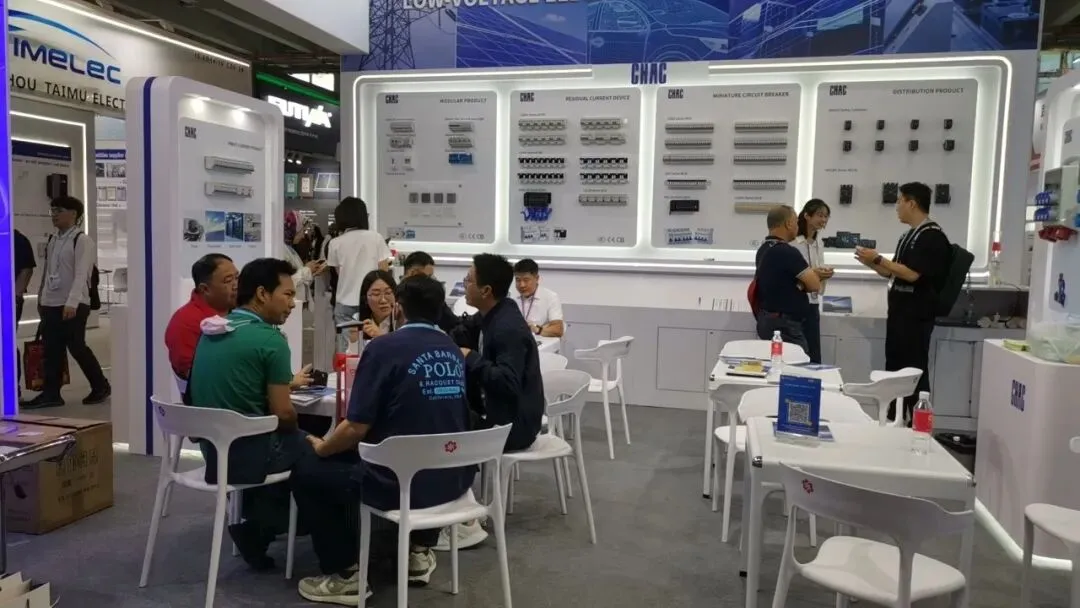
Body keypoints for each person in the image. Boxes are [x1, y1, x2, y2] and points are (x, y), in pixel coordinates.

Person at [293, 275, 476, 603]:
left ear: (399, 308)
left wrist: (323, 447)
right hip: (452, 479)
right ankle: (418, 552)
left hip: (400, 483)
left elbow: (355, 427)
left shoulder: (383, 348)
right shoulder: (452, 349)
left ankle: (346, 575)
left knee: (310, 471)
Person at [188, 257, 314, 570]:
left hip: (213, 450)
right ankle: (269, 528)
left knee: (295, 443)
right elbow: (284, 414)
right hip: (247, 455)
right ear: (261, 294)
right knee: (319, 450)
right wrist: (303, 433)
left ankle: (259, 527)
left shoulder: (212, 330)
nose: (293, 304)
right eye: (287, 294)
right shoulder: (271, 340)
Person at [435, 254, 545, 552]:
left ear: (486, 290)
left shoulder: (507, 327)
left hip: (513, 426)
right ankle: (458, 510)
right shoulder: (492, 313)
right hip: (500, 414)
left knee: (444, 429)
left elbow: (507, 382)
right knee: (446, 416)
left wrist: (471, 358)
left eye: (468, 280)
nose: (464, 284)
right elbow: (460, 330)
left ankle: (464, 521)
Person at [855, 182, 950, 425]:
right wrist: (870, 262)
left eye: (900, 201)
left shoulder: (932, 237)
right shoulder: (907, 236)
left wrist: (878, 258)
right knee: (895, 370)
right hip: (899, 315)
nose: (896, 206)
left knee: (913, 372)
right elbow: (893, 273)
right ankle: (892, 419)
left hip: (916, 317)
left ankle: (917, 423)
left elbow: (913, 275)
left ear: (912, 203)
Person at [22, 196, 110, 409]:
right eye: (52, 210)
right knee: (51, 349)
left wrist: (72, 302)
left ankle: (100, 385)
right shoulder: (54, 240)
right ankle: (51, 393)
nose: (54, 215)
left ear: (73, 214)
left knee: (76, 346)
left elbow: (81, 274)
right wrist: (42, 298)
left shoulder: (81, 240)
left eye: (59, 210)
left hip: (74, 303)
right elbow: (48, 272)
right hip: (51, 303)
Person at [753, 205, 822, 353]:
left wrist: (801, 283)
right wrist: (815, 275)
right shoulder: (787, 252)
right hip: (786, 327)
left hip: (767, 320)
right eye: (796, 222)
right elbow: (815, 285)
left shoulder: (763, 249)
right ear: (788, 223)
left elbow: (780, 283)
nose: (798, 226)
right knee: (797, 363)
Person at [326, 197, 391, 350]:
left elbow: (338, 273)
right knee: (373, 346)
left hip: (344, 302)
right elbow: (383, 271)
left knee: (347, 350)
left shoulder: (335, 243)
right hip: (372, 301)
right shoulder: (376, 238)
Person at [164, 254, 238, 382]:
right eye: (228, 280)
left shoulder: (241, 312)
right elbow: (194, 375)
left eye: (237, 277)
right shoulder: (185, 322)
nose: (236, 285)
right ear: (205, 289)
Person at [794, 200, 833, 363]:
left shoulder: (819, 242)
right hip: (796, 301)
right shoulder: (794, 242)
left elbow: (816, 268)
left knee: (813, 351)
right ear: (807, 216)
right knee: (797, 351)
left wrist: (824, 273)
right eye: (819, 215)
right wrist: (813, 274)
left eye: (826, 216)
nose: (823, 220)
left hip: (813, 301)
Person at [402, 251, 460, 334]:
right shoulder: (393, 298)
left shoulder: (433, 298)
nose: (431, 281)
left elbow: (452, 323)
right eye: (428, 276)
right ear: (413, 273)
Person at [512, 258, 564, 338]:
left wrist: (538, 329)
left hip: (541, 342)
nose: (522, 285)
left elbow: (558, 330)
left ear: (537, 278)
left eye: (526, 280)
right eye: (518, 280)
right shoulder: (511, 298)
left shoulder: (551, 297)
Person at [283, 211, 325, 306]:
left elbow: (296, 273)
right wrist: (307, 269)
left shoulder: (289, 248)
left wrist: (311, 271)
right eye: (302, 231)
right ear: (293, 230)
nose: (303, 235)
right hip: (291, 303)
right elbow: (287, 280)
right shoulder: (281, 251)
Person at [14, 229, 35, 399]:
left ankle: (13, 388)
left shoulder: (17, 240)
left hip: (7, 301)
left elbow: (27, 270)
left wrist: (15, 296)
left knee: (6, 344)